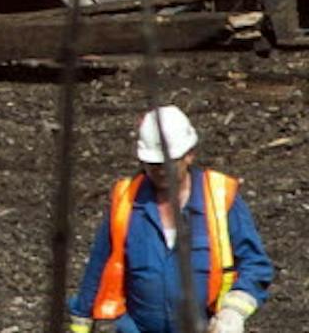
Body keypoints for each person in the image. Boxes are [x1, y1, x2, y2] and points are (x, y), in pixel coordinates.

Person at [68, 106, 273, 333]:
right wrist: (81, 319)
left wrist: (233, 311)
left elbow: (255, 266)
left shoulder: (219, 199)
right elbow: (99, 268)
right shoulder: (127, 202)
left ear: (189, 154)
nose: (161, 171)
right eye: (153, 165)